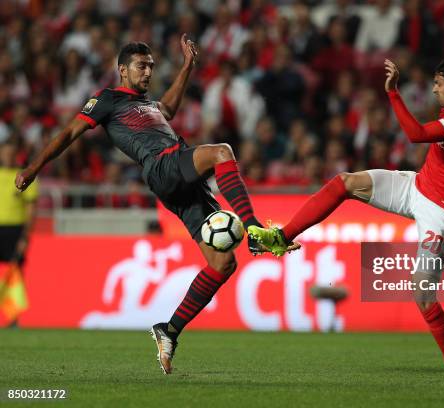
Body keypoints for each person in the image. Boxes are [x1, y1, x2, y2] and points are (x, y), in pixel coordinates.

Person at [248, 50, 444, 382]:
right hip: (417, 187)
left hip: (440, 214)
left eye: (438, 84)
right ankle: (281, 238)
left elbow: (416, 135)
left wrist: (393, 93)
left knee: (422, 292)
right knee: (344, 183)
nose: (434, 89)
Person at [14, 35, 285, 374]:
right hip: (162, 165)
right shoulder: (107, 99)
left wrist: (187, 67)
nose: (147, 72)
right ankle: (256, 230)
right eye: (141, 66)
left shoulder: (147, 104)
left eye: (151, 67)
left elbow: (167, 109)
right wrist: (34, 167)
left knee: (222, 264)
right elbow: (70, 133)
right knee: (221, 152)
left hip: (179, 183)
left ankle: (168, 330)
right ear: (122, 70)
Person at [0, 140, 38, 327]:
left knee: (15, 272)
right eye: (5, 153)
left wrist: (24, 236)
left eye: (11, 153)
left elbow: (31, 209)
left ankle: (14, 317)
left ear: (16, 155)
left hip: (15, 229)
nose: (7, 156)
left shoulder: (24, 176)